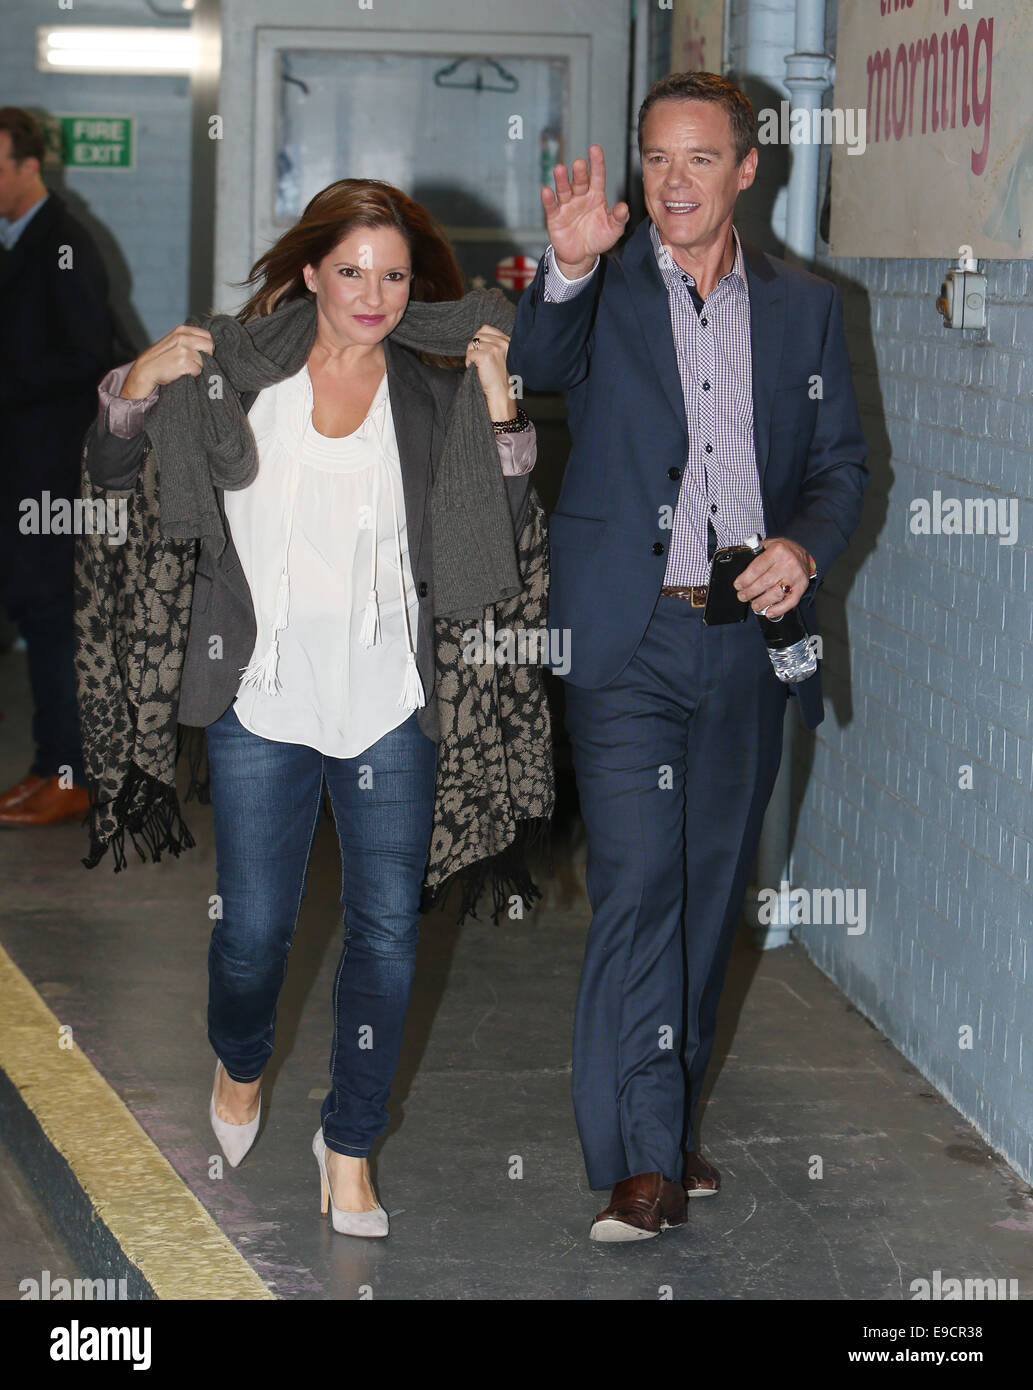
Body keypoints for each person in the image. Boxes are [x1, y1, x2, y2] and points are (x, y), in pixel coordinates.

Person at [80, 179, 540, 1237]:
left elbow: (497, 530)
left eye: (393, 274)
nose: (374, 293)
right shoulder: (235, 379)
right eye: (351, 272)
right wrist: (133, 385)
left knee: (385, 937)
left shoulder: (430, 390)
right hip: (262, 695)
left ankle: (350, 1144)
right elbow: (111, 471)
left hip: (388, 697)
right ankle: (241, 1063)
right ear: (307, 276)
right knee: (253, 935)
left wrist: (501, 404)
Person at [507, 72, 868, 1240]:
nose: (673, 181)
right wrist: (560, 266)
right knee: (639, 888)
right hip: (628, 631)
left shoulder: (807, 311)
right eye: (656, 158)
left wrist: (803, 552)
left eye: (699, 158)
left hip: (745, 636)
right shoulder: (599, 285)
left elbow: (841, 470)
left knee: (710, 895)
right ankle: (640, 1160)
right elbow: (536, 366)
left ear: (746, 170)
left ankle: (667, 1119)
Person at [0, 107, 112, 827]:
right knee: (37, 623)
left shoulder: (65, 242)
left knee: (54, 625)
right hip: (19, 470)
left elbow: (91, 355)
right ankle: (47, 766)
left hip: (50, 475)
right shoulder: (15, 241)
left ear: (28, 165)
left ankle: (72, 776)